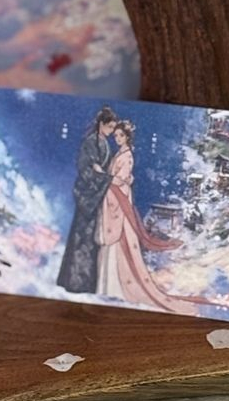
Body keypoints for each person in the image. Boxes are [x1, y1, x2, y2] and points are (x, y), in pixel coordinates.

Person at [96, 122, 204, 315]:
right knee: (117, 243)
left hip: (119, 200)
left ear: (127, 137)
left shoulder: (127, 156)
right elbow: (124, 179)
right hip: (115, 198)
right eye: (116, 136)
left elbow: (120, 180)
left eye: (121, 136)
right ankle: (109, 286)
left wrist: (101, 174)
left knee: (122, 241)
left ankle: (118, 287)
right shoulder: (121, 154)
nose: (117, 138)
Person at [56, 106, 118, 293]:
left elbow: (101, 168)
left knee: (91, 240)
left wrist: (103, 174)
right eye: (110, 127)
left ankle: (88, 283)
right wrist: (100, 175)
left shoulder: (103, 143)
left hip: (96, 195)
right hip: (88, 195)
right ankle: (75, 282)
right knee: (81, 238)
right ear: (101, 124)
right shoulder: (90, 142)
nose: (112, 131)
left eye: (113, 128)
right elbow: (84, 168)